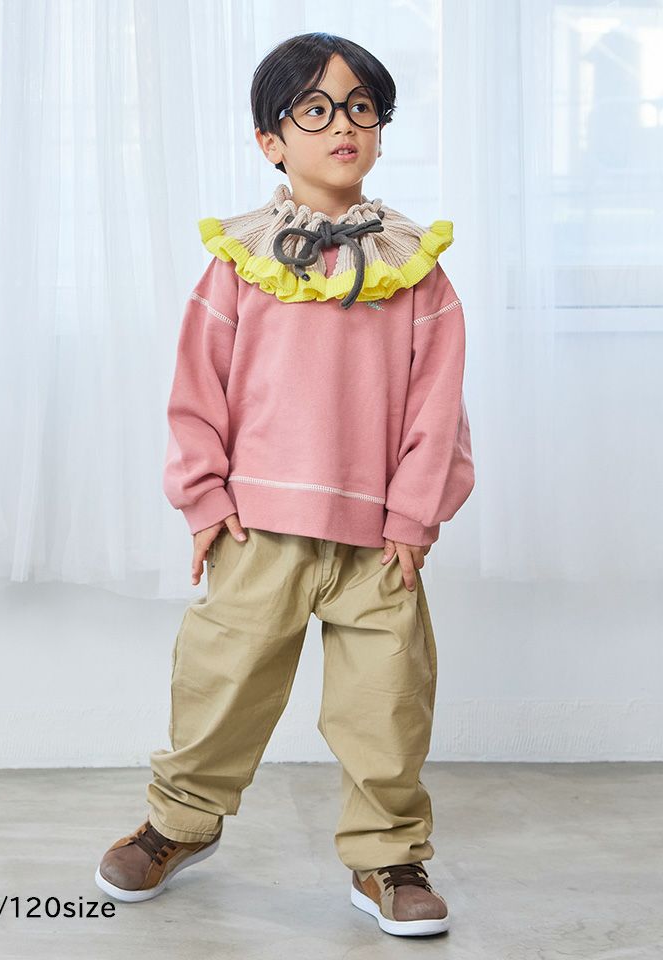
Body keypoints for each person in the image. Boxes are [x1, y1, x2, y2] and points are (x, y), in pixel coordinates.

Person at [95, 32, 474, 939]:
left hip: (379, 536)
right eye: (316, 109)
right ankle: (178, 822)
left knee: (386, 700)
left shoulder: (416, 270)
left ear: (380, 129)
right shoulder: (241, 260)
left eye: (361, 108)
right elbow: (198, 391)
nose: (343, 124)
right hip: (258, 525)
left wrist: (416, 515)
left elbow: (439, 407)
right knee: (221, 682)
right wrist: (205, 499)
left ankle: (388, 854)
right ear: (271, 139)